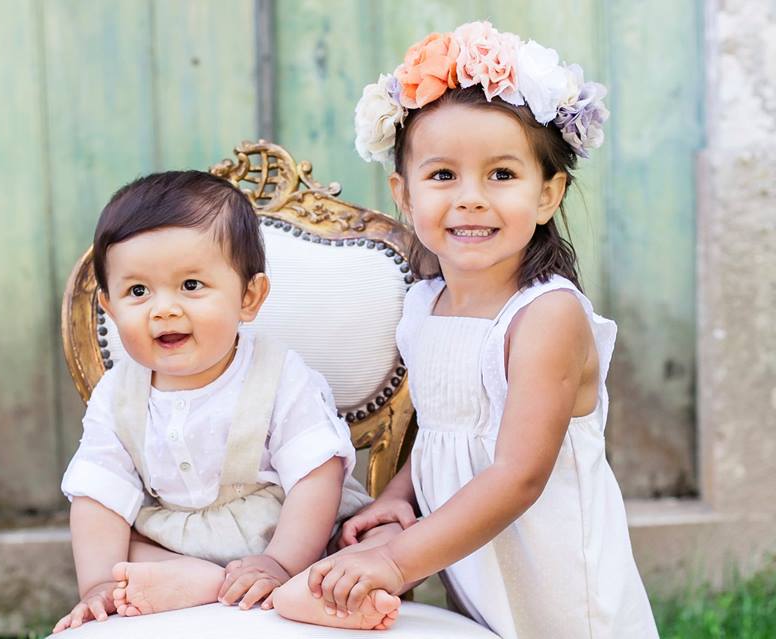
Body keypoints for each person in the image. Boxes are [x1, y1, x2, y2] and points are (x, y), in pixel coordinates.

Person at [282, 22, 659, 638]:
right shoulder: (425, 306)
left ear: (547, 194)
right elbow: (445, 426)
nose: (471, 198)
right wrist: (400, 494)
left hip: (554, 573)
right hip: (476, 562)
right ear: (403, 195)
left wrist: (393, 560)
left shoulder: (546, 316)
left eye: (502, 175)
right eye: (443, 176)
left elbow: (518, 474)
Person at [52, 170, 381, 632]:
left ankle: (300, 589)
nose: (163, 309)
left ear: (249, 296)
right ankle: (206, 583)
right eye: (138, 292)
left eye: (190, 286)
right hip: (177, 547)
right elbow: (98, 494)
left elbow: (316, 475)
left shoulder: (279, 373)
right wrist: (96, 587)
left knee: (368, 538)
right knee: (117, 543)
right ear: (109, 306)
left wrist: (281, 562)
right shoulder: (117, 393)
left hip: (289, 532)